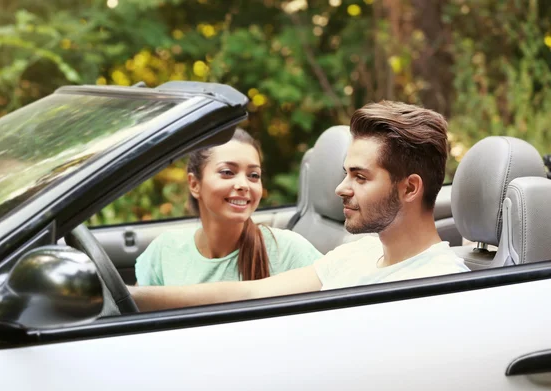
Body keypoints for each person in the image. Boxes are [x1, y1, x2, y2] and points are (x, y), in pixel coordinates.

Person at [130, 101, 469, 311]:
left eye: (360, 177)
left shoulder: (437, 286)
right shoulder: (358, 254)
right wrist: (130, 297)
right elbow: (250, 292)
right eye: (345, 174)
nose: (341, 188)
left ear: (409, 188)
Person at [134, 128, 323, 287]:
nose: (243, 184)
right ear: (194, 184)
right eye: (227, 172)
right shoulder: (165, 250)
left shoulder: (289, 251)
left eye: (253, 175)